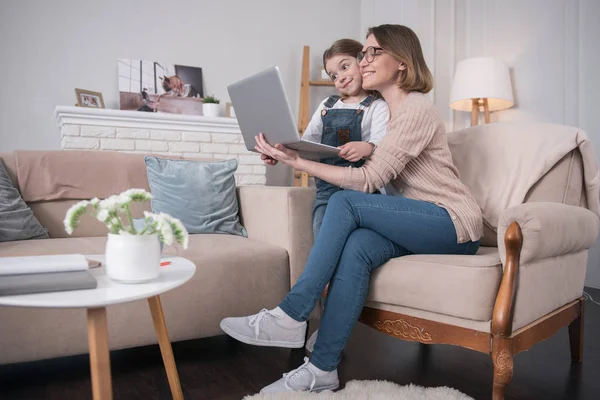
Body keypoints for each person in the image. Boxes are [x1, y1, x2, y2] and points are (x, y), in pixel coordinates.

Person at [220, 24, 483, 394]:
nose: (364, 60)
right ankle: (323, 368)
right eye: (363, 54)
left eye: (373, 52)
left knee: (345, 201)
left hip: (452, 222)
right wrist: (289, 151)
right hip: (411, 217)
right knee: (358, 245)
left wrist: (297, 163)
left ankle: (293, 314)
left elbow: (368, 179)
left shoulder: (416, 110)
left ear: (402, 63)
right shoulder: (386, 113)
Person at [301, 38, 389, 239]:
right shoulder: (327, 105)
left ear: (362, 62)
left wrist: (367, 147)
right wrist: (284, 150)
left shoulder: (377, 106)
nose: (340, 77)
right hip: (327, 193)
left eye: (345, 67)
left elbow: (383, 144)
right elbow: (308, 141)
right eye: (333, 75)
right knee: (322, 233)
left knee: (354, 239)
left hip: (363, 193)